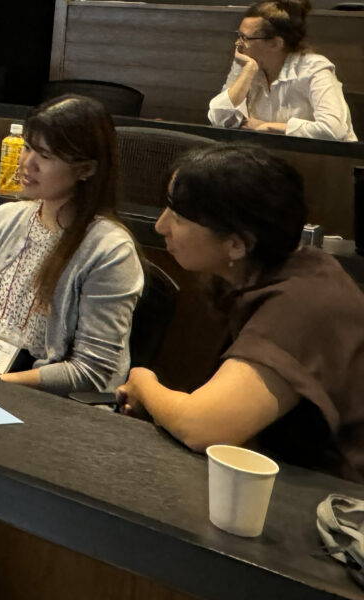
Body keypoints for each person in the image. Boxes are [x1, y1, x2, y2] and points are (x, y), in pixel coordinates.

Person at [118, 145, 364, 481]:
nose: (161, 226)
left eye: (178, 217)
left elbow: (202, 426)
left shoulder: (303, 304)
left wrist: (143, 382)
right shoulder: (296, 267)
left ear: (237, 244)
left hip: (334, 495)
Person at [0, 95, 143, 393]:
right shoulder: (5, 218)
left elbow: (91, 371)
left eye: (45, 155)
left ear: (86, 169)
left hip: (46, 397)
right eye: (28, 147)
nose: (27, 163)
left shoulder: (109, 249)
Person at [207, 0, 355, 141]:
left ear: (275, 44)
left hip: (324, 155)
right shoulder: (247, 64)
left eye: (245, 38)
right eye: (239, 35)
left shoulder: (314, 69)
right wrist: (248, 71)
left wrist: (269, 127)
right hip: (270, 152)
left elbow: (333, 130)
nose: (238, 43)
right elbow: (218, 118)